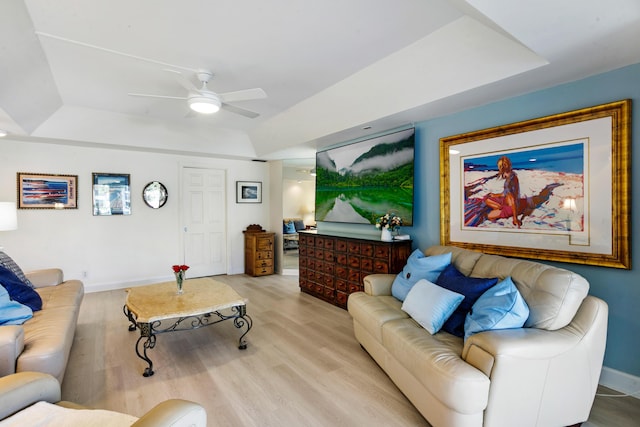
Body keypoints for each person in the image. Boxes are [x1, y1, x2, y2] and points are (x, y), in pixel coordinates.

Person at [484, 156, 522, 228]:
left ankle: (500, 210)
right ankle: (499, 208)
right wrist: (495, 195)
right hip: (505, 200)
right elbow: (505, 193)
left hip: (511, 207)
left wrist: (515, 218)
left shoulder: (510, 180)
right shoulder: (510, 175)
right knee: (487, 198)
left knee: (489, 216)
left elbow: (513, 199)